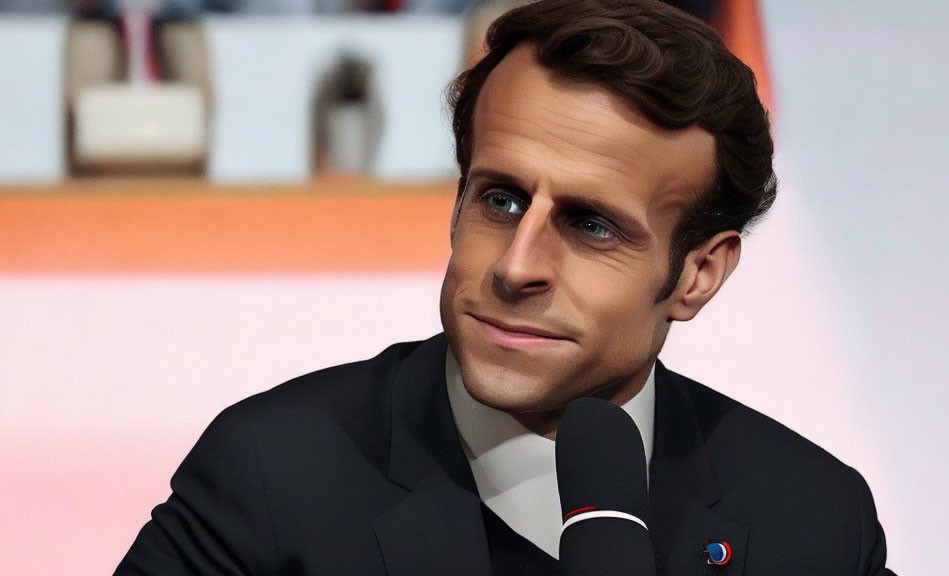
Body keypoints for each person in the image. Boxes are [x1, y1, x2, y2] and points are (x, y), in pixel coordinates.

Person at [116, 0, 896, 573]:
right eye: (501, 200)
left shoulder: (813, 520)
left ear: (697, 273)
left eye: (591, 225)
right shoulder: (274, 475)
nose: (515, 266)